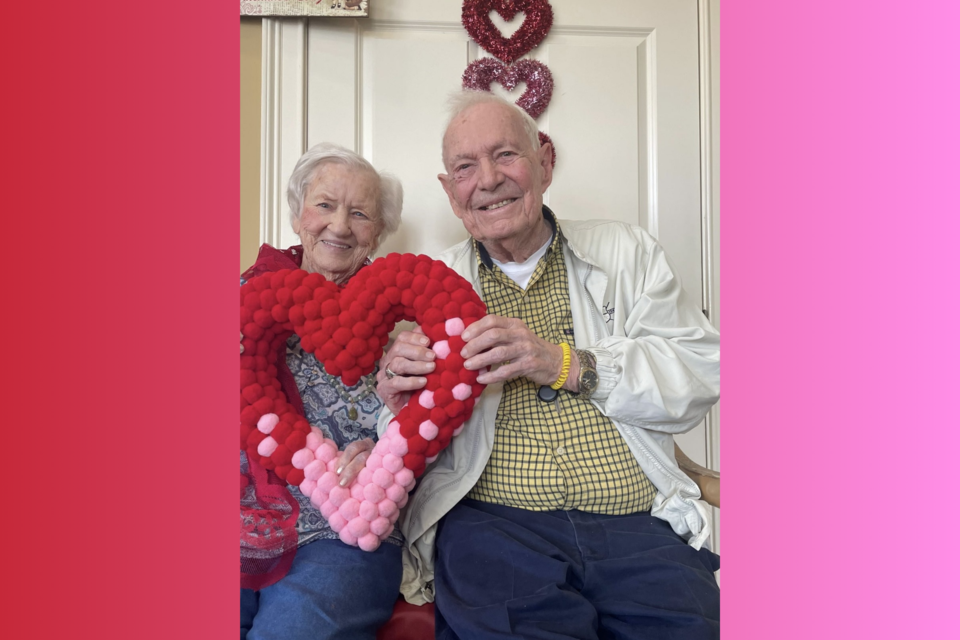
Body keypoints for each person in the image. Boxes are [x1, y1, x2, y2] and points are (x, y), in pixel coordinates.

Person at [376, 92, 721, 639]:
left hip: (636, 523)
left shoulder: (627, 251)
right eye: (465, 167)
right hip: (494, 527)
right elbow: (402, 444)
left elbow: (701, 371)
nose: (487, 180)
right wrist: (396, 402)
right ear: (450, 192)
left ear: (545, 163)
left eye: (506, 155)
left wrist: (568, 362)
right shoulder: (427, 283)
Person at [240, 143, 405, 640]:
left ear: (376, 232)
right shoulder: (243, 300)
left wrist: (386, 445)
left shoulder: (401, 326)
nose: (339, 226)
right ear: (296, 216)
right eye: (325, 205)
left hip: (342, 529)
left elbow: (430, 432)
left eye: (359, 213)